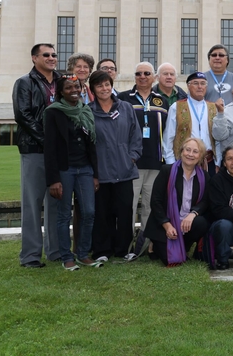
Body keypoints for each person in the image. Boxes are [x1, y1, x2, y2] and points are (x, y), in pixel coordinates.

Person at [44, 74, 101, 270]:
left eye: (76, 86)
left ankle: (83, 253)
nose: (74, 90)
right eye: (69, 88)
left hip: (85, 169)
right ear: (60, 92)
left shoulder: (85, 110)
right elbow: (49, 149)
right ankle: (66, 256)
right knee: (63, 215)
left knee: (89, 212)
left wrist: (95, 175)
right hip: (64, 170)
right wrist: (53, 180)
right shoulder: (53, 113)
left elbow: (92, 144)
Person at [13, 43, 62, 268]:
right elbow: (23, 115)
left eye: (53, 54)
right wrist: (46, 140)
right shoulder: (25, 82)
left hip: (59, 152)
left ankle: (55, 252)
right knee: (32, 205)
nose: (51, 58)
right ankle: (31, 256)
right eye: (46, 55)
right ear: (35, 58)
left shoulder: (62, 82)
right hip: (34, 149)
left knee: (56, 203)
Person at [89, 70, 143, 261]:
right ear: (93, 89)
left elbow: (135, 136)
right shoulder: (88, 111)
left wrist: (132, 158)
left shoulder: (126, 108)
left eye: (107, 84)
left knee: (124, 211)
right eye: (99, 85)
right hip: (100, 171)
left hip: (124, 170)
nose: (104, 89)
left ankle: (124, 250)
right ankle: (102, 251)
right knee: (102, 213)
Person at [118, 62, 170, 257]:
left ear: (154, 77)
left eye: (147, 73)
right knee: (129, 206)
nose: (142, 76)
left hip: (156, 162)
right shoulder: (124, 99)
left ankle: (144, 246)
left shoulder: (162, 101)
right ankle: (126, 246)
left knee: (150, 205)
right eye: (138, 73)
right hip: (132, 163)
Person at [144, 137, 211, 266]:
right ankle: (155, 244)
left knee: (201, 223)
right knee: (170, 260)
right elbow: (155, 201)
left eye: (195, 151)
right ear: (181, 152)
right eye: (188, 150)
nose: (190, 154)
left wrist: (193, 214)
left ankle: (183, 247)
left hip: (186, 224)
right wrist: (167, 225)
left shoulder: (204, 176)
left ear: (200, 156)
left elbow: (205, 201)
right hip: (165, 223)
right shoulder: (166, 171)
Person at [163, 72, 218, 173]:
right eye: (195, 83)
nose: (200, 87)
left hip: (209, 161)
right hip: (184, 161)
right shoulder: (177, 107)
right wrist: (171, 163)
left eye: (203, 83)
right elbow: (168, 137)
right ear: (188, 86)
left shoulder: (213, 108)